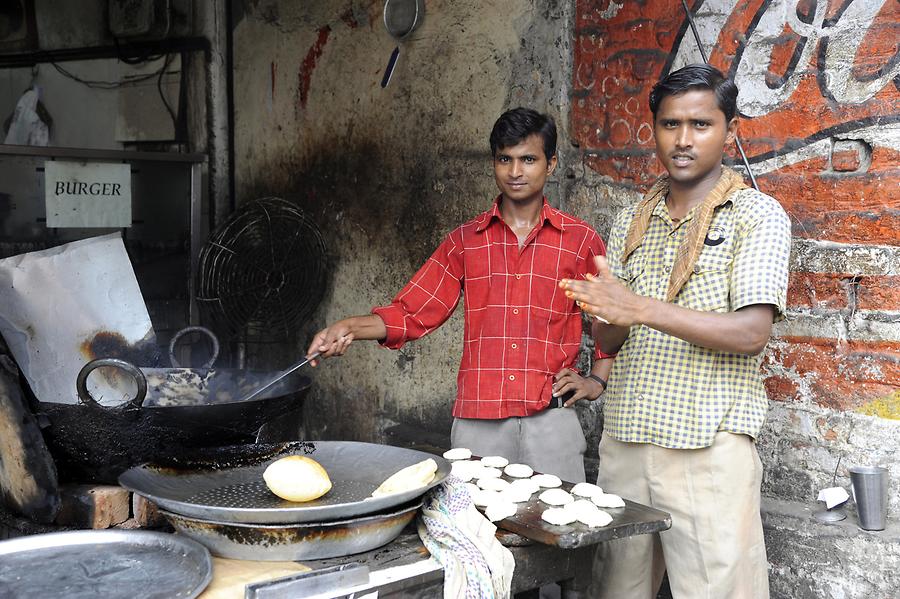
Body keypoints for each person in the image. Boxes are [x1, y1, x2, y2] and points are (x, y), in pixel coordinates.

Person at [561, 64, 791, 598]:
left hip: (707, 449)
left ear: (730, 130)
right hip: (628, 441)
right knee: (617, 590)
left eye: (701, 124)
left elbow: (751, 333)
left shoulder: (756, 216)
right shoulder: (631, 219)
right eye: (669, 125)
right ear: (655, 131)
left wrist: (636, 306)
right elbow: (612, 341)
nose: (683, 140)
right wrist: (609, 314)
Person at [307, 107, 614, 483]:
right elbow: (412, 313)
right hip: (478, 423)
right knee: (474, 530)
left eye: (528, 159)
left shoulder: (580, 240)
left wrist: (596, 381)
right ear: (494, 163)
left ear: (550, 164)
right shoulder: (465, 242)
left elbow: (609, 317)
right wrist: (349, 327)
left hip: (551, 418)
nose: (515, 172)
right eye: (505, 159)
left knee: (561, 529)